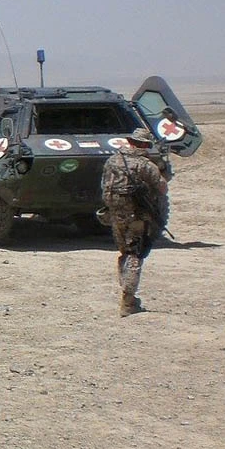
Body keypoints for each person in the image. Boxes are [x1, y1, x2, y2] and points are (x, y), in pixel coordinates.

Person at [100, 126, 169, 316]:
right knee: (135, 254)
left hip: (115, 214)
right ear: (145, 145)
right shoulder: (145, 165)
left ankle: (126, 289)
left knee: (124, 251)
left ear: (130, 142)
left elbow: (104, 185)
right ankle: (128, 301)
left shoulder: (113, 160)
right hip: (136, 216)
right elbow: (162, 188)